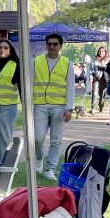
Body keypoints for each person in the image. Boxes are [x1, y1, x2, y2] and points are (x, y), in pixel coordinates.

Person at [33, 32, 74, 180]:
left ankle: (50, 169)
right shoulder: (36, 61)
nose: (52, 46)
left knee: (56, 140)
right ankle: (39, 159)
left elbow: (71, 87)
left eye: (55, 44)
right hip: (40, 105)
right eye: (49, 44)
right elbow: (29, 83)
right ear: (46, 45)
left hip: (59, 107)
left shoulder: (67, 63)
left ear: (60, 46)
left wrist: (69, 108)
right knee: (37, 138)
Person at [91, 46, 109, 114]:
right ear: (98, 52)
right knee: (95, 93)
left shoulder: (108, 60)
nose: (101, 52)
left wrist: (104, 64)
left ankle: (101, 108)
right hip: (96, 78)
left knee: (102, 94)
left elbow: (109, 69)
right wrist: (92, 76)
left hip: (104, 79)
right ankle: (93, 108)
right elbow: (91, 69)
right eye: (100, 51)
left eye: (103, 51)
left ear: (105, 52)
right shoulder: (95, 59)